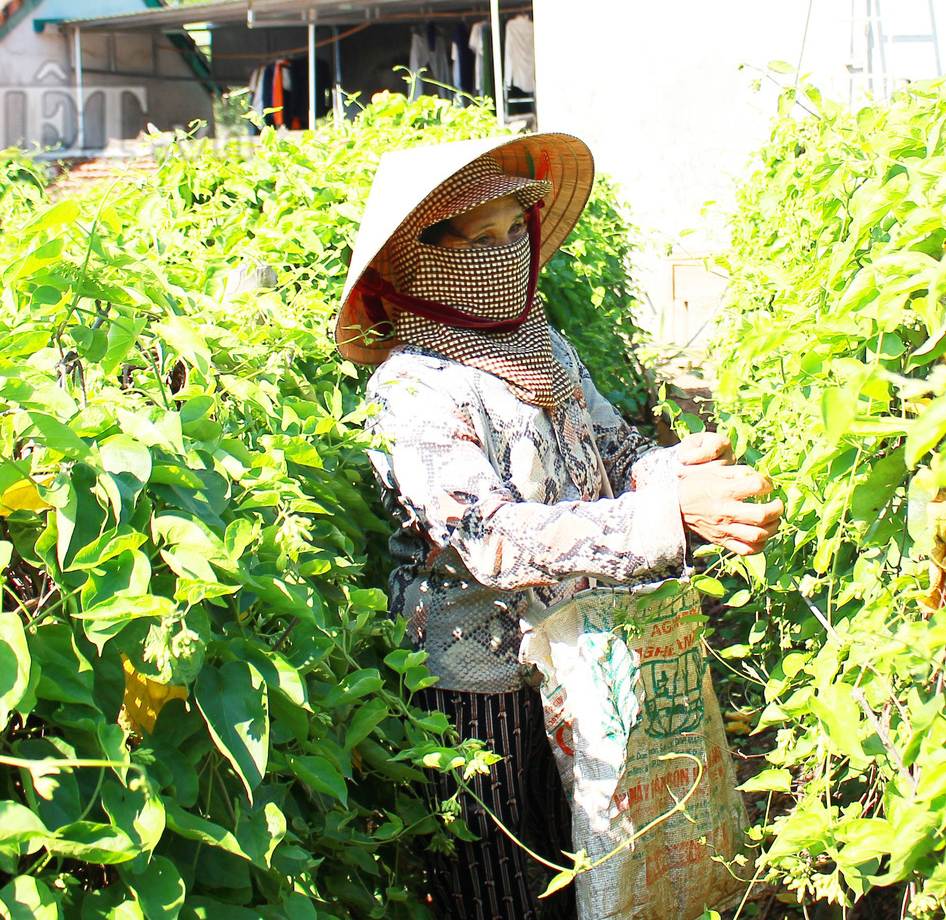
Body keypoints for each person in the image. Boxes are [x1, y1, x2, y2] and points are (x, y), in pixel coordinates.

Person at [335, 133, 783, 920]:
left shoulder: (542, 347)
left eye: (517, 230)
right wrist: (665, 516)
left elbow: (615, 453)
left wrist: (675, 470)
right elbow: (496, 541)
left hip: (579, 656)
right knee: (507, 892)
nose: (508, 252)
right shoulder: (412, 390)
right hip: (481, 687)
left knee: (589, 873)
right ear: (423, 259)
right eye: (482, 238)